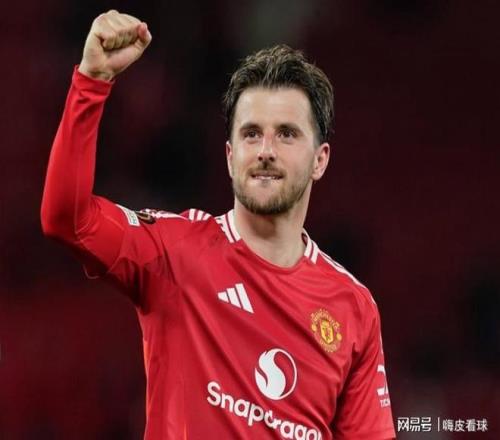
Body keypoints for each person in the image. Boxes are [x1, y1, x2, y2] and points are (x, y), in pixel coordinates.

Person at [41, 10, 396, 440]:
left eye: (286, 134)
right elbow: (68, 220)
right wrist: (91, 82)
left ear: (320, 160)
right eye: (251, 133)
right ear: (230, 157)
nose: (265, 150)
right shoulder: (175, 252)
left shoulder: (353, 308)